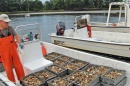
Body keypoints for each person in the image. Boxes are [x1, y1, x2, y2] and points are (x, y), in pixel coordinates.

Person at [0, 14, 25, 83]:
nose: (7, 23)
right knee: (8, 68)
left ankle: (22, 80)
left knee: (18, 65)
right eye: (6, 22)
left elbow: (16, 36)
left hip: (13, 50)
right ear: (0, 21)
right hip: (4, 53)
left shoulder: (10, 28)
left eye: (8, 22)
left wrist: (20, 44)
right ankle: (12, 82)